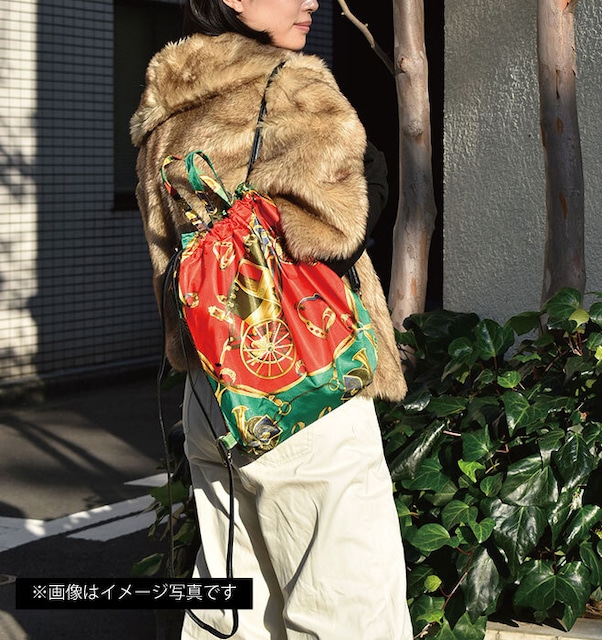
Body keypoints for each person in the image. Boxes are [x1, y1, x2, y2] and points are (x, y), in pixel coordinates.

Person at [130, 1, 412, 638]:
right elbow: (339, 228)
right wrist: (370, 178)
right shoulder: (290, 83)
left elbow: (171, 260)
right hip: (302, 383)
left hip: (212, 392)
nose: (311, 0)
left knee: (232, 608)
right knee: (347, 610)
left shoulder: (162, 111)